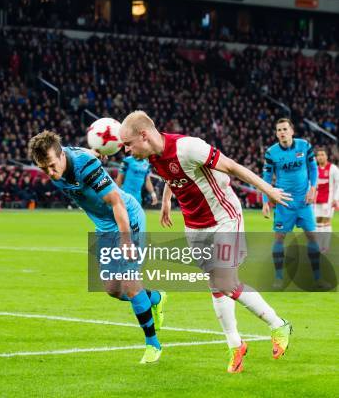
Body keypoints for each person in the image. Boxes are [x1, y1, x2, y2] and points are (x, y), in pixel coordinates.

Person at [119, 110, 292, 373]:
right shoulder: (153, 156)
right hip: (195, 226)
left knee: (224, 280)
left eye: (128, 144)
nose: (127, 151)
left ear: (144, 135)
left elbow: (232, 167)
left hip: (224, 217)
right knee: (216, 285)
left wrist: (267, 191)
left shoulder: (189, 147)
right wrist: (166, 201)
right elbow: (170, 176)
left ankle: (278, 324)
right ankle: (236, 346)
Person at [28, 131, 166, 364]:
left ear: (61, 155)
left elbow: (117, 202)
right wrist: (92, 152)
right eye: (44, 169)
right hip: (104, 226)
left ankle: (153, 345)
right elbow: (79, 153)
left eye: (51, 165)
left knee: (131, 286)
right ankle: (155, 298)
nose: (50, 172)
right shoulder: (64, 161)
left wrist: (126, 241)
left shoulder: (85, 166)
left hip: (125, 218)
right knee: (112, 289)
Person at [262, 119, 327, 288]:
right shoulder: (271, 153)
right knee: (279, 238)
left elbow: (313, 169)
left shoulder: (304, 146)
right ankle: (278, 279)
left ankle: (318, 278)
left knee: (312, 236)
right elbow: (266, 179)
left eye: (285, 129)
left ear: (292, 130)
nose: (282, 132)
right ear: (276, 134)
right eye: (279, 130)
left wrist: (313, 187)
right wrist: (265, 201)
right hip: (284, 203)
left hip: (304, 201)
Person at [313, 148, 338, 254]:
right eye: (318, 155)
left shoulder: (333, 168)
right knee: (318, 224)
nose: (320, 157)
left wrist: (336, 199)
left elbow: (338, 184)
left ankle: (325, 247)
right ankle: (319, 246)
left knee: (326, 223)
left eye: (322, 154)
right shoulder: (315, 169)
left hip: (328, 201)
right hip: (317, 200)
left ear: (327, 156)